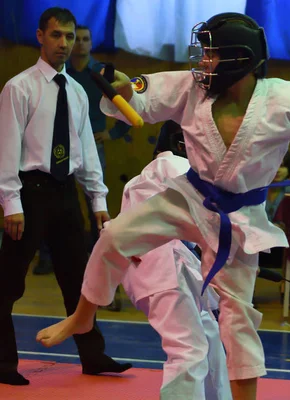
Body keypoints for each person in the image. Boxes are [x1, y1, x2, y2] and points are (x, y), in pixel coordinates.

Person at [36, 12, 290, 400]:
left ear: (237, 59)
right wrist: (121, 87)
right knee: (115, 235)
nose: (202, 62)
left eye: (210, 55)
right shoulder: (192, 88)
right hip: (191, 196)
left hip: (240, 216)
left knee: (239, 322)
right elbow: (141, 93)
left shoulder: (286, 99)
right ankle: (83, 317)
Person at [0, 7, 131, 386]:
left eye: (70, 37)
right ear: (41, 36)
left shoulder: (76, 91)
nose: (64, 44)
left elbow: (86, 151)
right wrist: (11, 204)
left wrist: (99, 202)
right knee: (8, 281)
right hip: (30, 192)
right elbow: (7, 151)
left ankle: (93, 355)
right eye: (56, 35)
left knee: (81, 280)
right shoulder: (18, 88)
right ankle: (4, 362)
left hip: (65, 194)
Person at [117, 123, 231, 399]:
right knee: (188, 349)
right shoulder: (174, 166)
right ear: (184, 144)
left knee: (209, 333)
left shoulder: (150, 176)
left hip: (167, 266)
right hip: (160, 270)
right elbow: (212, 211)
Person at [34, 24, 132, 280]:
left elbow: (128, 106)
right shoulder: (59, 72)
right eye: (75, 39)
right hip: (55, 146)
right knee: (51, 202)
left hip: (92, 145)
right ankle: (46, 257)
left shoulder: (101, 73)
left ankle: (96, 259)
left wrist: (112, 134)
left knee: (95, 204)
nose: (78, 44)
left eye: (84, 39)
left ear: (91, 43)